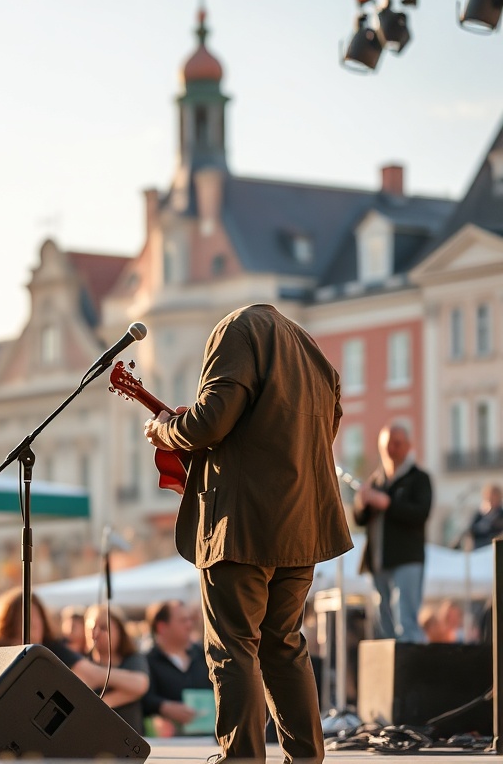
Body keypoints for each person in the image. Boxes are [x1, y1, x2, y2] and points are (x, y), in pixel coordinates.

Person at [143, 303, 353, 764]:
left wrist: (165, 430)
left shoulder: (235, 330)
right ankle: (306, 759)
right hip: (302, 523)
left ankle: (241, 759)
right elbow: (327, 426)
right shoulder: (310, 348)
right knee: (285, 645)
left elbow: (210, 421)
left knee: (233, 647)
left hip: (240, 526)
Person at [0, 586, 148, 702]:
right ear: (9, 626)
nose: (32, 626)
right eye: (24, 622)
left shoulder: (52, 649)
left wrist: (106, 700)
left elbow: (136, 684)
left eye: (36, 621)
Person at [354, 423, 432, 644]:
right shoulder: (375, 481)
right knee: (383, 625)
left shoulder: (419, 478)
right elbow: (360, 519)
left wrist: (388, 504)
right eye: (387, 445)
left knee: (406, 621)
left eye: (397, 444)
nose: (391, 450)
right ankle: (391, 663)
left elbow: (420, 514)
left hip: (407, 560)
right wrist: (362, 503)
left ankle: (411, 663)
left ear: (407, 446)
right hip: (378, 561)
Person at [141, 599, 213, 736]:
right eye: (183, 620)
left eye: (190, 620)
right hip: (169, 742)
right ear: (162, 627)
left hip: (210, 739)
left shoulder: (205, 655)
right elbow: (143, 697)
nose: (189, 625)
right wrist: (163, 707)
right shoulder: (146, 661)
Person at [84, 604, 150, 735]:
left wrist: (96, 676)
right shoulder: (82, 661)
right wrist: (125, 690)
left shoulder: (133, 659)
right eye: (91, 628)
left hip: (129, 736)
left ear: (119, 631)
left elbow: (140, 684)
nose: (96, 633)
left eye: (104, 628)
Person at [458, 483, 503, 550]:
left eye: (493, 497)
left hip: (492, 548)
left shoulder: (501, 514)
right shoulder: (480, 514)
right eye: (489, 497)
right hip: (477, 548)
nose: (491, 500)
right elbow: (470, 529)